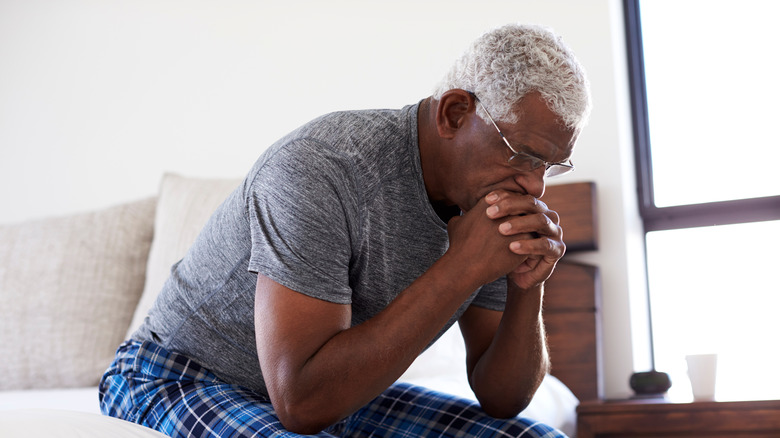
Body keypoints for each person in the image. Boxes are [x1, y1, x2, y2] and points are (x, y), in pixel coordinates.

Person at [100, 23, 591, 437]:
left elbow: (502, 399)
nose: (535, 185)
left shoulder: (486, 205)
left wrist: (528, 287)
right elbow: (301, 403)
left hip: (339, 393)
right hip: (176, 374)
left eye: (551, 166)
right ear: (455, 113)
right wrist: (460, 268)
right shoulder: (321, 168)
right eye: (524, 155)